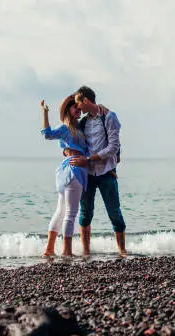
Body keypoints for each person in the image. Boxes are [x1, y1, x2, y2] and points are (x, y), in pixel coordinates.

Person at [68, 85, 127, 257]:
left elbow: (113, 147)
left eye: (79, 103)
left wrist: (88, 159)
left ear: (86, 100)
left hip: (106, 173)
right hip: (87, 175)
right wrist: (67, 152)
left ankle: (122, 250)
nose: (78, 108)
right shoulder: (83, 122)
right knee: (85, 214)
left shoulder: (109, 117)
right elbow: (72, 140)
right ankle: (86, 251)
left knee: (114, 212)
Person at [40, 95, 88, 257]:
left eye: (80, 109)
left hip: (67, 170)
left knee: (61, 211)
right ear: (68, 109)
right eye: (76, 108)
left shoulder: (78, 128)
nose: (79, 111)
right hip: (73, 170)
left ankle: (49, 249)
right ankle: (67, 251)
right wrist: (45, 113)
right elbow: (47, 134)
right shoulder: (66, 128)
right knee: (71, 213)